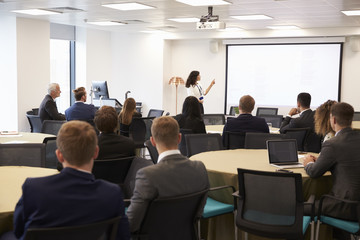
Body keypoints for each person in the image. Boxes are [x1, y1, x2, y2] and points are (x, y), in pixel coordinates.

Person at [2, 121, 130, 240]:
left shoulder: (33, 189)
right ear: (95, 152)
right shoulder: (112, 194)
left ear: (59, 155)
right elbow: (122, 236)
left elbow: (19, 231)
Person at [126, 116, 209, 232]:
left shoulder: (147, 175)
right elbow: (198, 214)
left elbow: (131, 224)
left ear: (153, 141)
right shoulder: (200, 168)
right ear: (179, 138)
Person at [303, 102, 360, 222]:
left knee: (299, 208)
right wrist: (324, 160)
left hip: (345, 206)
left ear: (333, 120)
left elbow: (314, 172)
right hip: (356, 205)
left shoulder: (332, 143)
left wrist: (308, 163)